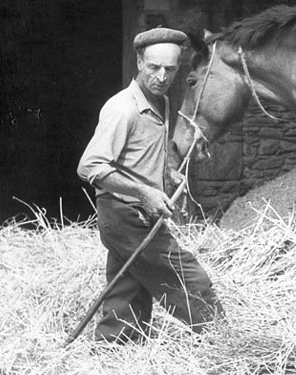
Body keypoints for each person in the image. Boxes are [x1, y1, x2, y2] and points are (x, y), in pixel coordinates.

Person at [77, 27, 223, 344]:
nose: (161, 76)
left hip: (140, 212)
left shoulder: (162, 102)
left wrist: (169, 171)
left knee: (127, 288)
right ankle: (222, 340)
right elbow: (89, 166)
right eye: (154, 67)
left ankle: (116, 347)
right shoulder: (123, 109)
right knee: (188, 277)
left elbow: (146, 151)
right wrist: (144, 191)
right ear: (140, 62)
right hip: (124, 213)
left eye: (170, 69)